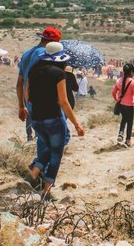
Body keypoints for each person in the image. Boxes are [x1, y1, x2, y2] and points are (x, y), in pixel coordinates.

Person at [26, 42, 84, 197]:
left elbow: (27, 97)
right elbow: (64, 102)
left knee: (49, 147)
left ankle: (34, 171)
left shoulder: (33, 71)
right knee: (56, 152)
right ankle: (46, 189)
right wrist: (77, 125)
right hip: (53, 118)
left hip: (36, 119)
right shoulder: (59, 74)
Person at [17, 27, 62, 142]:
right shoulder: (43, 54)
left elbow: (19, 83)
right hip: (41, 99)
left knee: (38, 129)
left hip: (28, 99)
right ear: (53, 42)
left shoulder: (27, 53)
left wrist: (21, 106)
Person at [111, 63, 134, 147]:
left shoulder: (119, 81)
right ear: (131, 72)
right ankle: (128, 140)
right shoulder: (133, 83)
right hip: (129, 105)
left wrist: (117, 99)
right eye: (133, 72)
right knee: (130, 122)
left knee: (124, 119)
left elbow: (113, 92)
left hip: (121, 104)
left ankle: (120, 134)